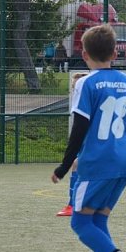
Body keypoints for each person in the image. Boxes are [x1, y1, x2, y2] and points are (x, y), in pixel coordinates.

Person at [51, 24, 126, 252]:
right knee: (98, 220)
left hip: (97, 163)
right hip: (123, 162)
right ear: (115, 53)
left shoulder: (86, 83)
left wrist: (64, 165)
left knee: (80, 222)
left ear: (84, 54)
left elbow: (79, 127)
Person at [56, 72, 89, 217]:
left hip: (95, 143)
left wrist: (63, 167)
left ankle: (72, 205)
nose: (75, 90)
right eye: (74, 88)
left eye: (77, 87)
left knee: (76, 165)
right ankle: (78, 204)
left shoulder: (86, 103)